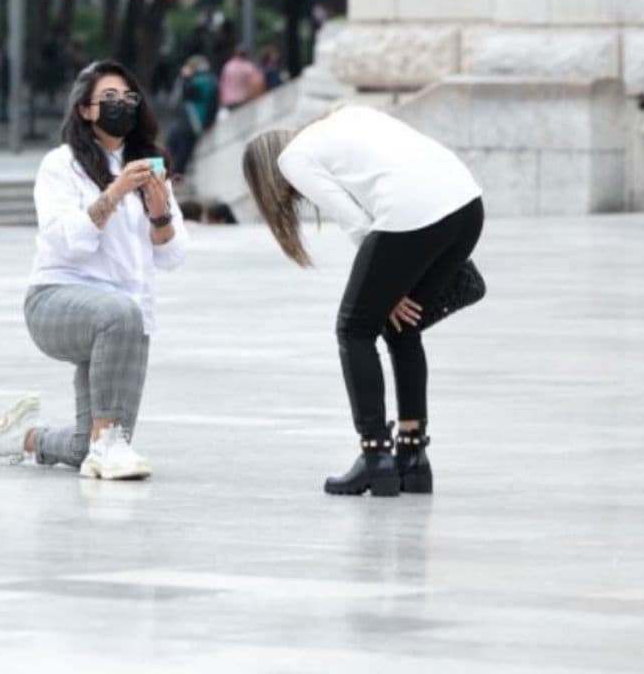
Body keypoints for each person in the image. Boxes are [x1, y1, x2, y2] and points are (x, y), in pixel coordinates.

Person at [242, 105, 485, 497]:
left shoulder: (293, 160)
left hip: (415, 214)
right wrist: (390, 286)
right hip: (468, 205)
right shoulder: (349, 117)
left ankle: (375, 457)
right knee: (402, 328)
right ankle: (413, 457)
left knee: (353, 328)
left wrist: (386, 288)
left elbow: (355, 221)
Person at [0, 60, 188, 480]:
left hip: (124, 319)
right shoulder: (61, 165)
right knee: (122, 315)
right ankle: (109, 447)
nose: (120, 105)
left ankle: (24, 439)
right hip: (56, 301)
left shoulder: (150, 164)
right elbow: (65, 242)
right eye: (108, 99)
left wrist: (160, 214)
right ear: (85, 109)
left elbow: (172, 257)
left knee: (81, 447)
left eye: (128, 99)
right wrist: (115, 192)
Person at [164, 55, 218, 177]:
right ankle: (170, 173)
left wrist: (185, 78)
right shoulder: (210, 80)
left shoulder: (201, 81)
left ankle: (166, 173)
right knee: (177, 146)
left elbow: (186, 92)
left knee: (175, 146)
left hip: (192, 120)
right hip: (194, 121)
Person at [218, 46, 265, 110]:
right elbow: (257, 82)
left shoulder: (227, 66)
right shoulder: (247, 66)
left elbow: (222, 84)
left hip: (229, 100)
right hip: (243, 99)